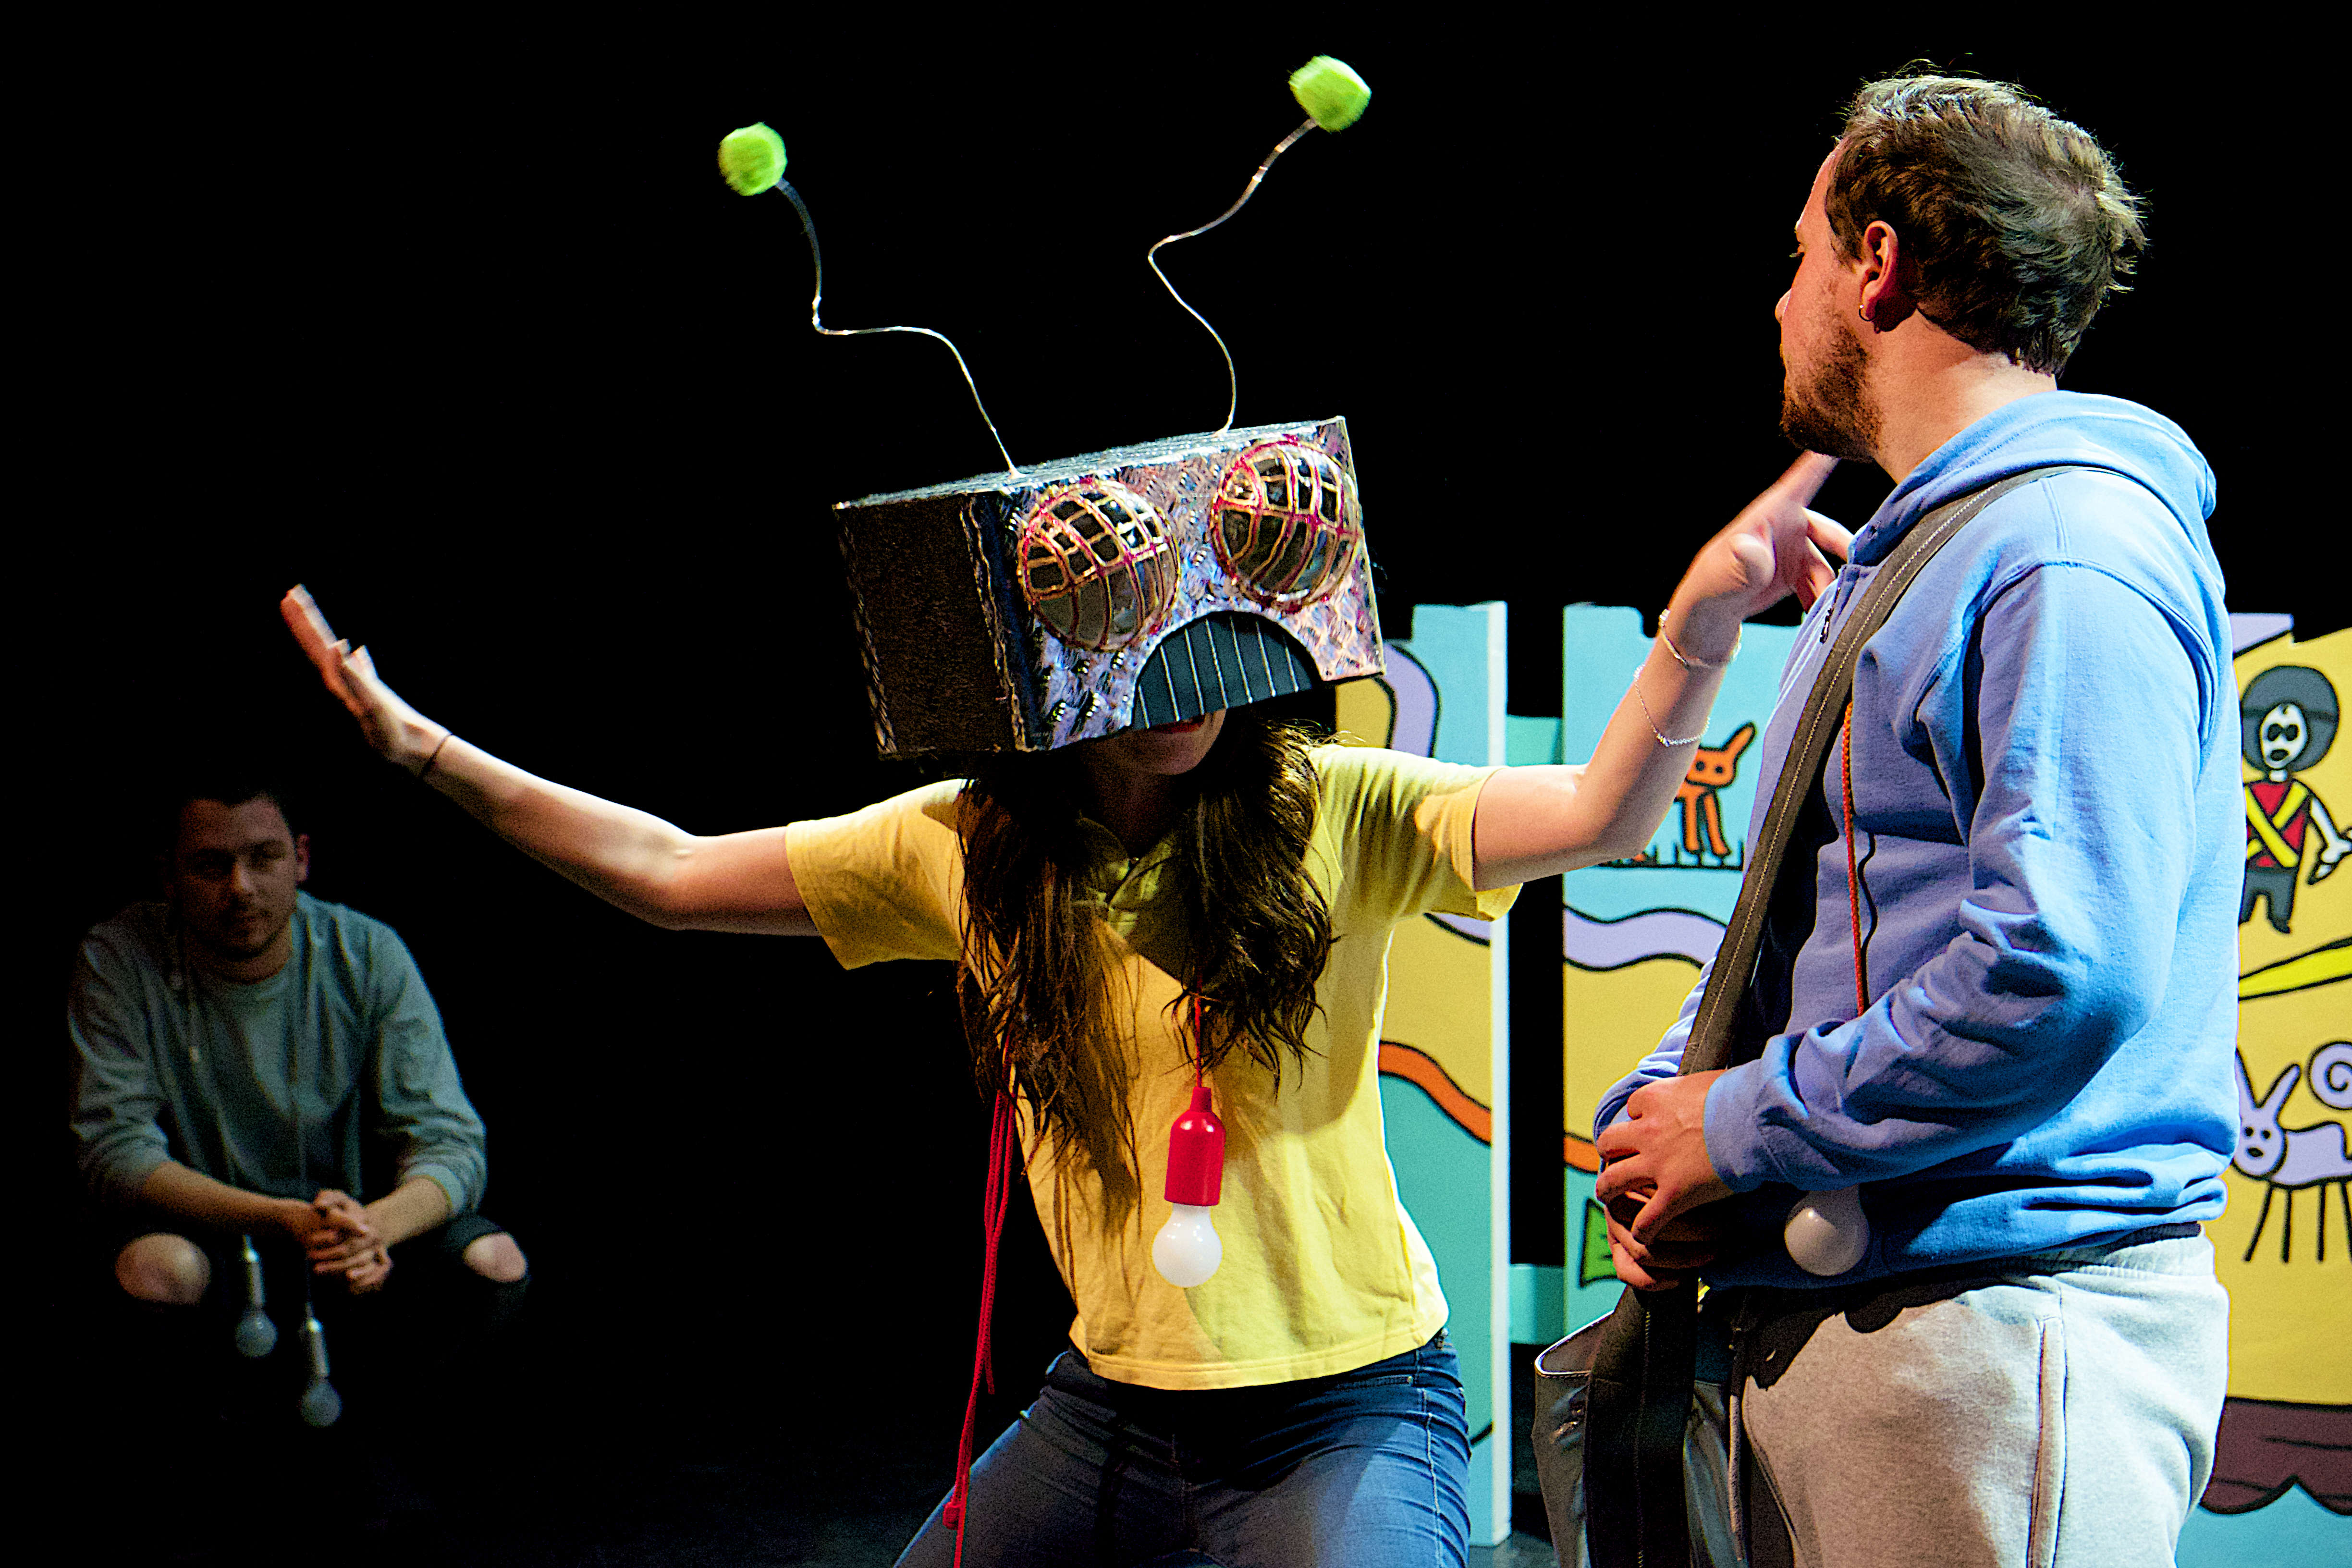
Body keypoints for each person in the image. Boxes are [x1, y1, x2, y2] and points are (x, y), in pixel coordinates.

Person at [278, 447, 1840, 1566]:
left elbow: (1601, 815)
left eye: (1200, 635)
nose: (1176, 680)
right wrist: (423, 755)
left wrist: (1705, 614)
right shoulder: (969, 846)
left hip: (1345, 1407)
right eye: (1125, 634)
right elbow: (671, 873)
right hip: (1117, 1409)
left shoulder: (1332, 806)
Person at [1592, 74, 2236, 1568]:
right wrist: (1673, 1123)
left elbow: (2057, 967)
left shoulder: (2063, 544)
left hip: (1985, 1331)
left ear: (1876, 265)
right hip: (1865, 1315)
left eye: (1801, 254)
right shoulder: (1926, 556)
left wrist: (1738, 1123)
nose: (1782, 299)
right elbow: (1833, 926)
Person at [69, 780, 528, 1378]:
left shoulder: (365, 952)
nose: (241, 887)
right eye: (211, 866)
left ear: (301, 859)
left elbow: (450, 1141)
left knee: (494, 1260)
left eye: (264, 858)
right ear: (169, 876)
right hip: (210, 1228)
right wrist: (281, 1217)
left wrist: (373, 1229)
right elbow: (115, 1152)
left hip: (357, 1228)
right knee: (158, 1269)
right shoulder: (121, 957)